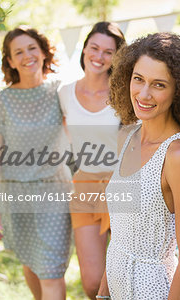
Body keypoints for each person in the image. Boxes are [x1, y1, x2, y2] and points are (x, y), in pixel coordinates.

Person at [97, 32, 180, 299]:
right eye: (139, 79)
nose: (144, 94)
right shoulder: (126, 136)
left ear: (179, 90)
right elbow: (120, 235)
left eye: (158, 84)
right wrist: (102, 295)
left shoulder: (178, 154)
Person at [0, 26, 72, 300]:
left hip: (54, 193)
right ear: (10, 61)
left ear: (44, 52)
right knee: (31, 264)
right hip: (16, 197)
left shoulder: (60, 92)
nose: (27, 56)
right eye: (18, 52)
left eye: (32, 48)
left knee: (51, 271)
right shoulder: (3, 101)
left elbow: (82, 134)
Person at [57, 22, 125, 300]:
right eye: (94, 48)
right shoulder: (64, 93)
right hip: (84, 185)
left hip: (122, 185)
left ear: (116, 58)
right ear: (84, 48)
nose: (99, 56)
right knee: (92, 281)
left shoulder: (124, 93)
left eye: (108, 51)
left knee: (125, 273)